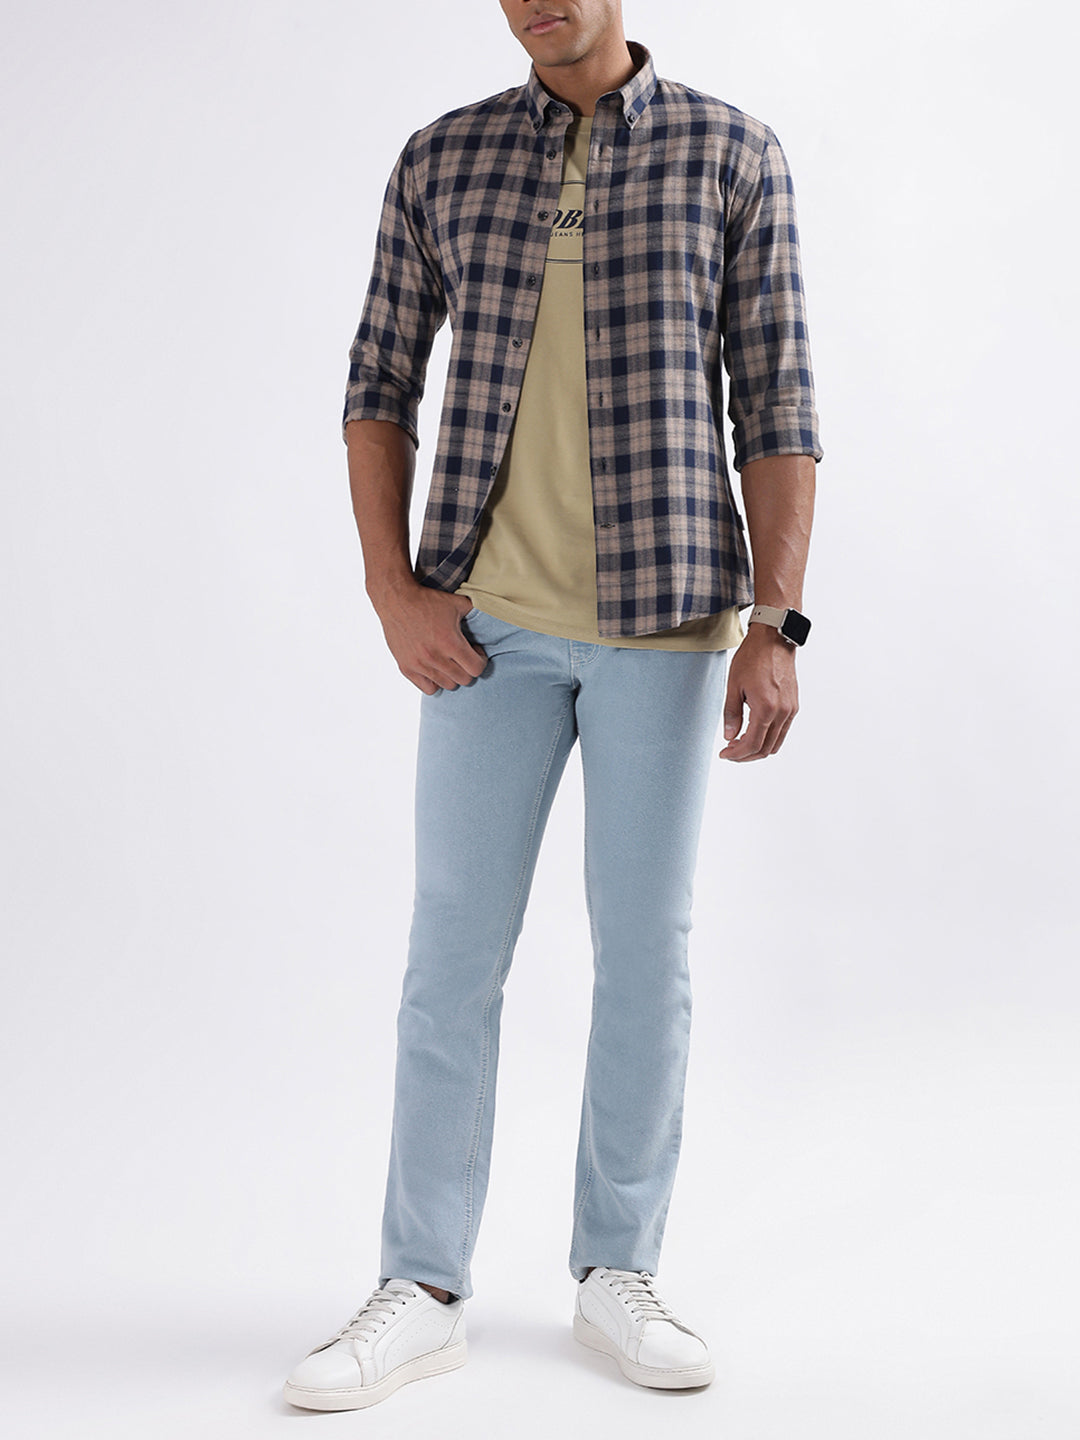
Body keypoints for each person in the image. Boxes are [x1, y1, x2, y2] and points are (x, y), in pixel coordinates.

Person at [283, 0, 822, 1412]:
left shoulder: (732, 154)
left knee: (645, 956)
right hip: (485, 630)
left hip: (666, 623)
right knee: (449, 962)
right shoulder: (442, 157)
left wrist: (776, 623)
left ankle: (617, 1271)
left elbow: (778, 402)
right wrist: (392, 592)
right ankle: (422, 1286)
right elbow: (377, 384)